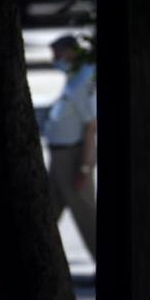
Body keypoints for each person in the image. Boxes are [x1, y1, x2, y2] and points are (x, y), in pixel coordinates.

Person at [43, 34, 96, 260]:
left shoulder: (83, 80)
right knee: (46, 211)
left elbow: (91, 127)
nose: (56, 60)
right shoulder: (74, 76)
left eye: (59, 54)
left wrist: (84, 168)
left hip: (72, 158)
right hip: (58, 158)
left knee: (86, 217)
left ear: (72, 52)